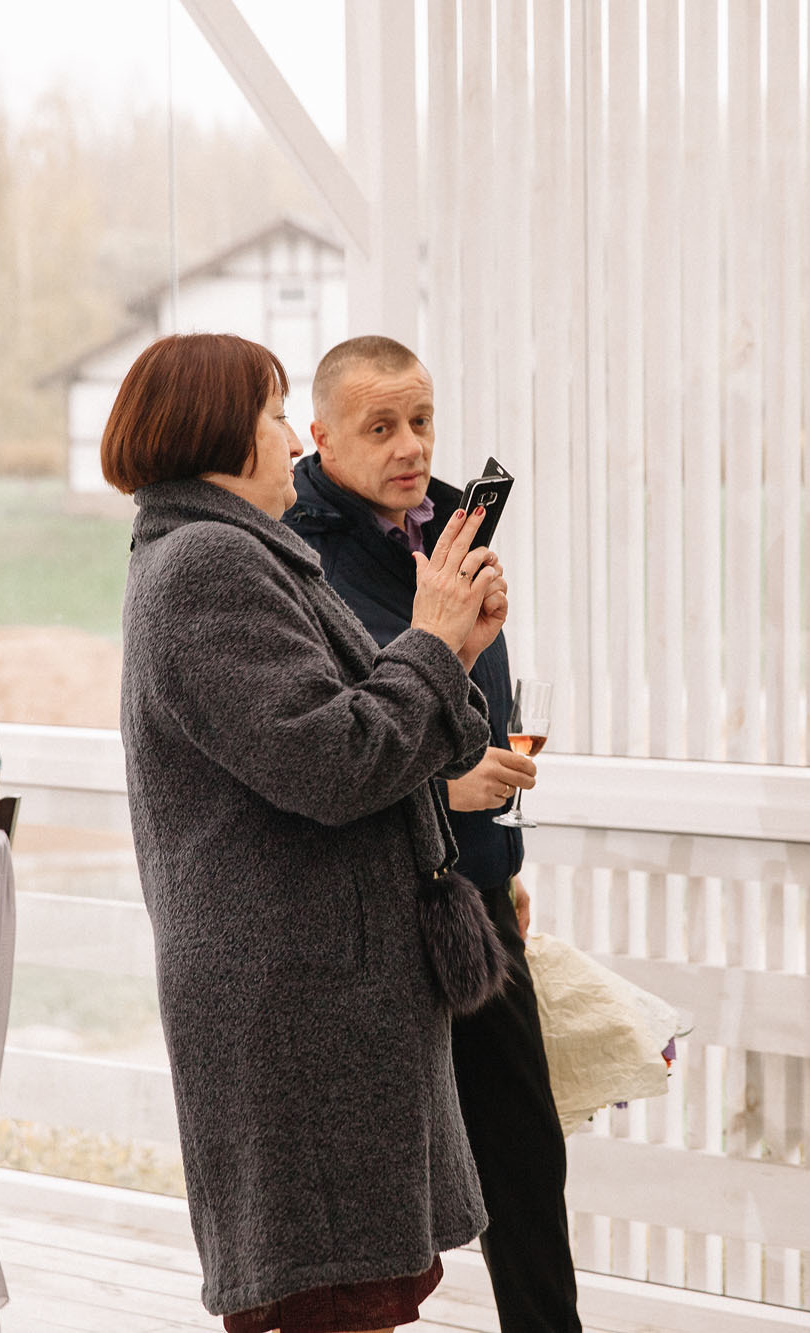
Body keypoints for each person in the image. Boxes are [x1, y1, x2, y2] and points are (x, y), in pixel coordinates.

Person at [108, 332, 509, 1333]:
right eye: (276, 417)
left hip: (316, 990)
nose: (292, 440)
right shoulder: (207, 564)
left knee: (347, 1294)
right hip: (298, 1002)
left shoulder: (233, 552)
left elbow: (346, 737)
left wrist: (449, 648)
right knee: (328, 1300)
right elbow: (330, 763)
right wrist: (431, 642)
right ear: (219, 437)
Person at [285, 335, 582, 1333]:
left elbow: (473, 698)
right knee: (380, 1199)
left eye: (420, 421)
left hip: (475, 899)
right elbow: (331, 750)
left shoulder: (456, 529)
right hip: (368, 914)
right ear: (318, 435)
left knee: (525, 1163)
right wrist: (446, 795)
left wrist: (496, 854)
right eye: (379, 428)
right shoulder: (295, 560)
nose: (409, 446)